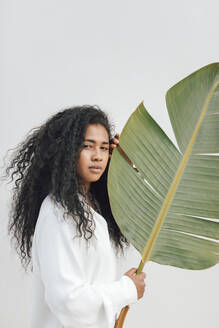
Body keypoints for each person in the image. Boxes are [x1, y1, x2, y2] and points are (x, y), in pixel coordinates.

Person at [5, 105, 146, 328]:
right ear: (67, 150)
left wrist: (125, 167)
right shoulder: (58, 213)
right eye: (87, 146)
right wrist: (126, 289)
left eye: (103, 148)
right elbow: (66, 299)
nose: (98, 156)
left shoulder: (91, 207)